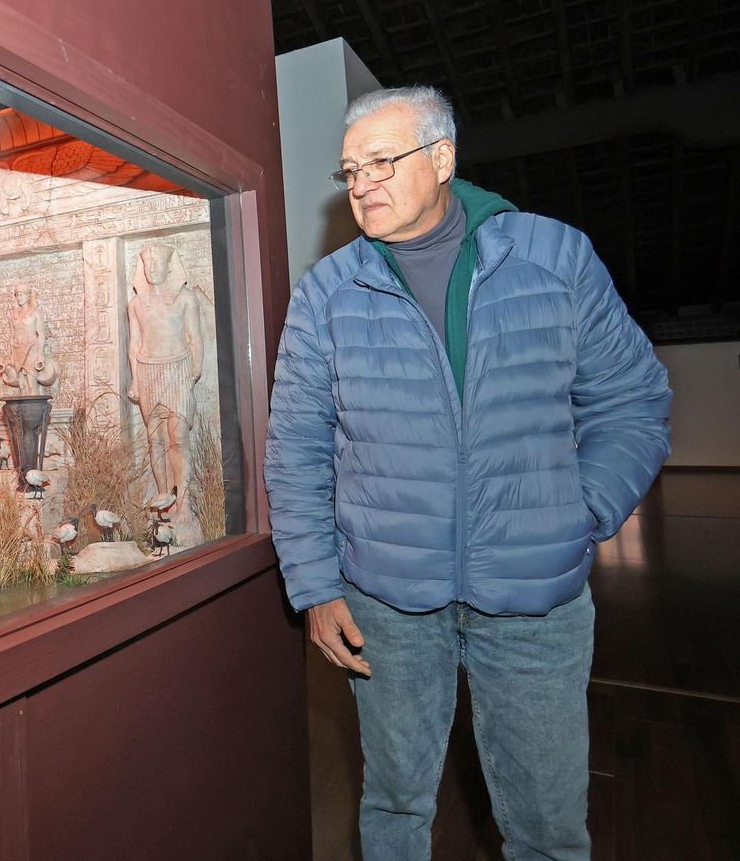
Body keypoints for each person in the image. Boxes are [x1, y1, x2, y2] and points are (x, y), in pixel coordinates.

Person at [264, 85, 671, 860]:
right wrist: (316, 588)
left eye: (383, 160)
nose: (362, 182)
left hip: (534, 602)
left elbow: (634, 402)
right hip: (387, 602)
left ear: (443, 157)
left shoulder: (554, 258)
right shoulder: (326, 294)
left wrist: (581, 513)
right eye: (349, 170)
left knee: (547, 829)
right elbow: (297, 449)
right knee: (392, 808)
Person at [125, 244, 204, 502]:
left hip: (178, 369)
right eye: (149, 264)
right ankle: (163, 498)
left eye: (158, 264)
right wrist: (135, 379)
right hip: (148, 371)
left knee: (178, 435)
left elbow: (195, 337)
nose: (153, 268)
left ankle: (182, 502)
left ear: (170, 267)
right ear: (143, 269)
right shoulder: (136, 304)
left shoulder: (185, 298)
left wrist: (194, 370)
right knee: (155, 439)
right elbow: (134, 344)